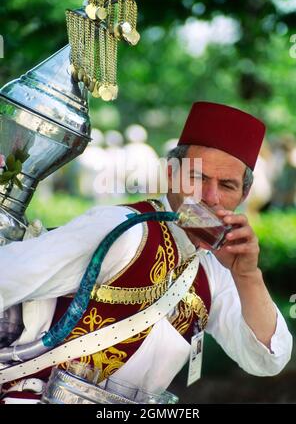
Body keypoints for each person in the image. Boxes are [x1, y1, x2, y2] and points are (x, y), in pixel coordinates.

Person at [0, 101, 292, 404]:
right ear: (170, 174)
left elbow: (268, 360)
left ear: (243, 195)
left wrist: (247, 275)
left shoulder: (214, 270)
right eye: (198, 178)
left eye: (227, 185)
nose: (210, 197)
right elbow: (6, 275)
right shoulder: (122, 230)